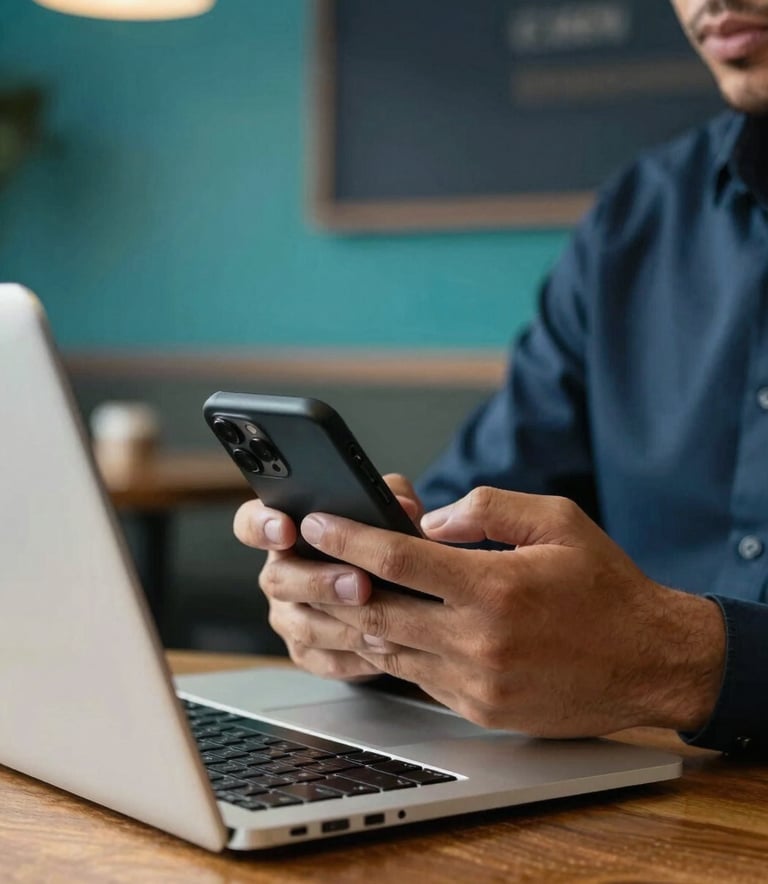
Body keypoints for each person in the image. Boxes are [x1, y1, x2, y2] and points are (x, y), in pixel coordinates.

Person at [234, 0, 768, 753]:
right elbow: (467, 525)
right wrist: (370, 604)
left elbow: (668, 661)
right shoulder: (634, 220)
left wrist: (687, 663)